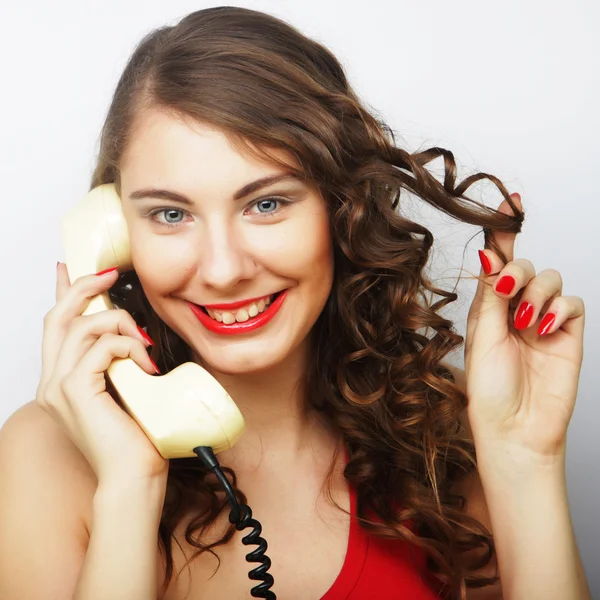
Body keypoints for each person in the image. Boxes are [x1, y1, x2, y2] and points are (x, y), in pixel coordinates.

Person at [0, 6, 591, 600]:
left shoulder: (446, 427)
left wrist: (524, 458)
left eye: (267, 204)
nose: (225, 269)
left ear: (342, 207)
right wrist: (129, 487)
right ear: (116, 234)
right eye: (171, 214)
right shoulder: (43, 457)